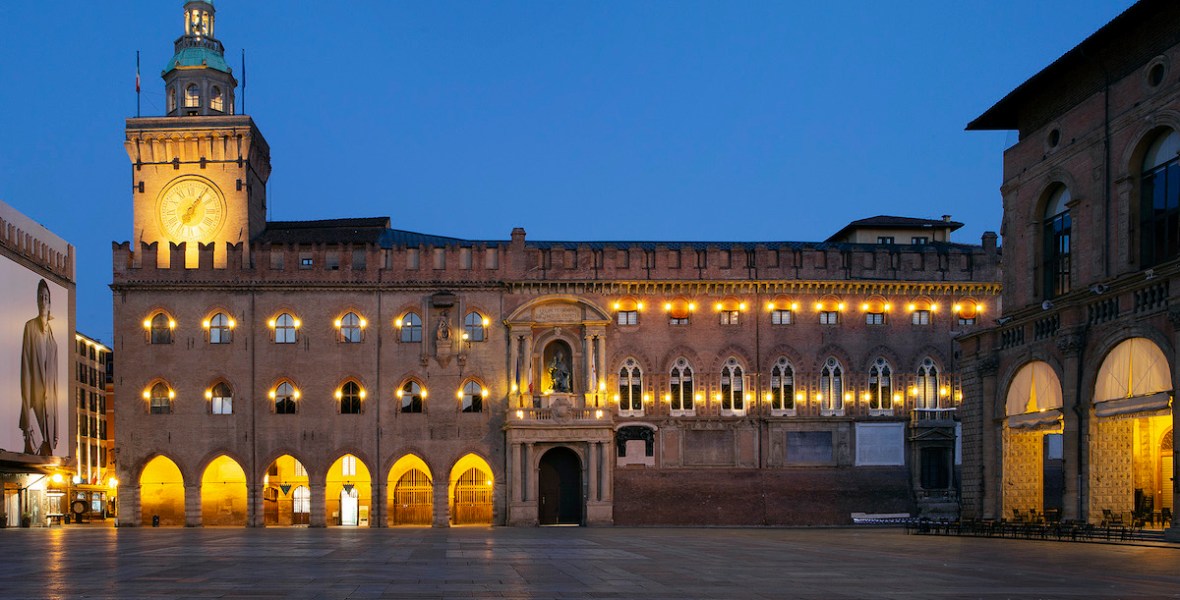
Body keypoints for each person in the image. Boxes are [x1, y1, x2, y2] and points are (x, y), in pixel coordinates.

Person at [20, 279, 58, 456]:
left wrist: (56, 429)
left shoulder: (52, 338)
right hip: (34, 401)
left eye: (46, 297)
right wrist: (27, 419)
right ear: (37, 301)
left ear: (50, 303)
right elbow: (26, 368)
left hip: (49, 407)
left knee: (46, 452)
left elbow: (55, 384)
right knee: (32, 450)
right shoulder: (30, 327)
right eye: (40, 297)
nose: (43, 301)